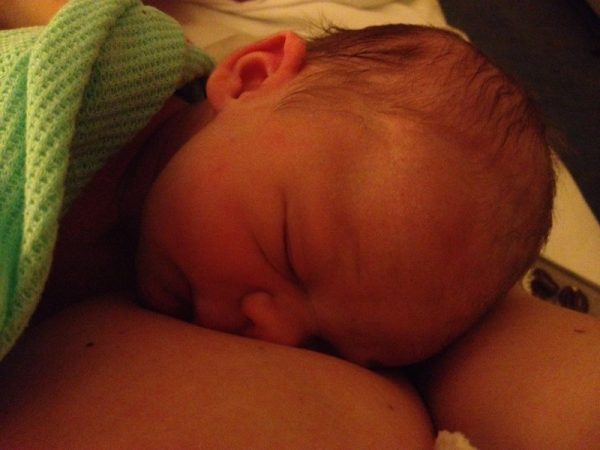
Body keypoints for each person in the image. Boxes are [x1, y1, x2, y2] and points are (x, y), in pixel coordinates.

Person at [2, 1, 598, 448]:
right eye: (287, 250)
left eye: (325, 346)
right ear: (251, 78)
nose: (272, 330)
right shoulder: (81, 98)